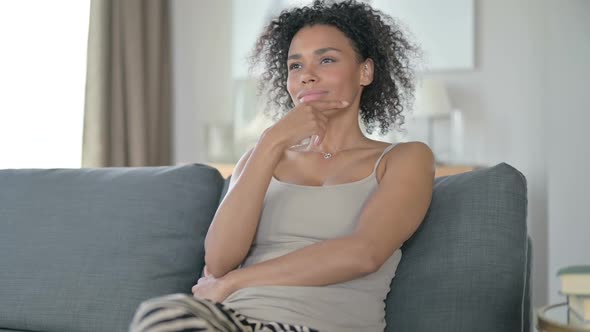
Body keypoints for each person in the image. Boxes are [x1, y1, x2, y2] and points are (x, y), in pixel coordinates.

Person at [129, 1, 434, 331]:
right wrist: (271, 143)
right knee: (161, 314)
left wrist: (235, 282)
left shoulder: (405, 159)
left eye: (326, 60)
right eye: (295, 66)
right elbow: (219, 261)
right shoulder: (263, 156)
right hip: (232, 320)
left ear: (365, 71)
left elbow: (364, 253)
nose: (307, 77)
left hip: (320, 324)